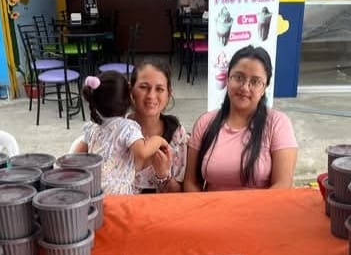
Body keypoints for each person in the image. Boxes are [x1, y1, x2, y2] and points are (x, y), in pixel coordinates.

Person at [183, 45, 298, 192]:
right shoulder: (205, 123)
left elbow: (282, 185)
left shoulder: (278, 124)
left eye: (255, 81)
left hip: (262, 207)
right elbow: (191, 182)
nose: (244, 87)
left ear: (265, 87)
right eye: (238, 77)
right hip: (211, 206)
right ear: (227, 79)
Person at [75, 72, 170, 195]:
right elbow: (142, 152)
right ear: (129, 98)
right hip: (118, 194)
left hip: (93, 191)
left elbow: (76, 157)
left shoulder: (92, 127)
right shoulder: (128, 128)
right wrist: (158, 140)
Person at [128, 60, 189, 193]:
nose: (151, 95)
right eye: (144, 87)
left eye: (159, 89)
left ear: (169, 93)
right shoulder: (116, 130)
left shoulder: (176, 135)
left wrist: (164, 174)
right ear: (131, 89)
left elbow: (180, 195)